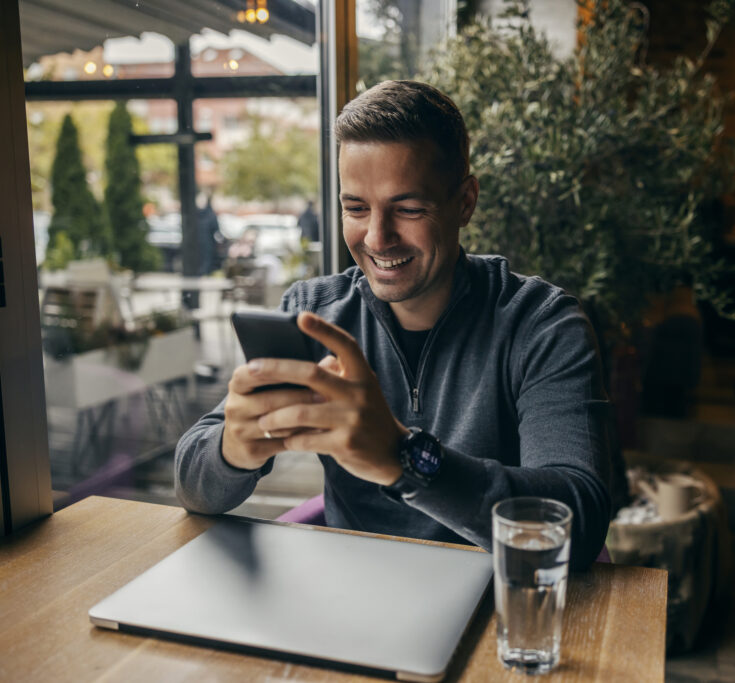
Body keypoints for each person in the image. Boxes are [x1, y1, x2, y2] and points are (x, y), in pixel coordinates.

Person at [175, 80, 615, 567]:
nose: (378, 238)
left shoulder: (542, 324)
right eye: (355, 209)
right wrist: (232, 449)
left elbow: (580, 514)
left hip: (498, 603)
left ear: (465, 201)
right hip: (354, 601)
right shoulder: (314, 316)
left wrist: (404, 459)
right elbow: (193, 485)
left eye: (408, 209)